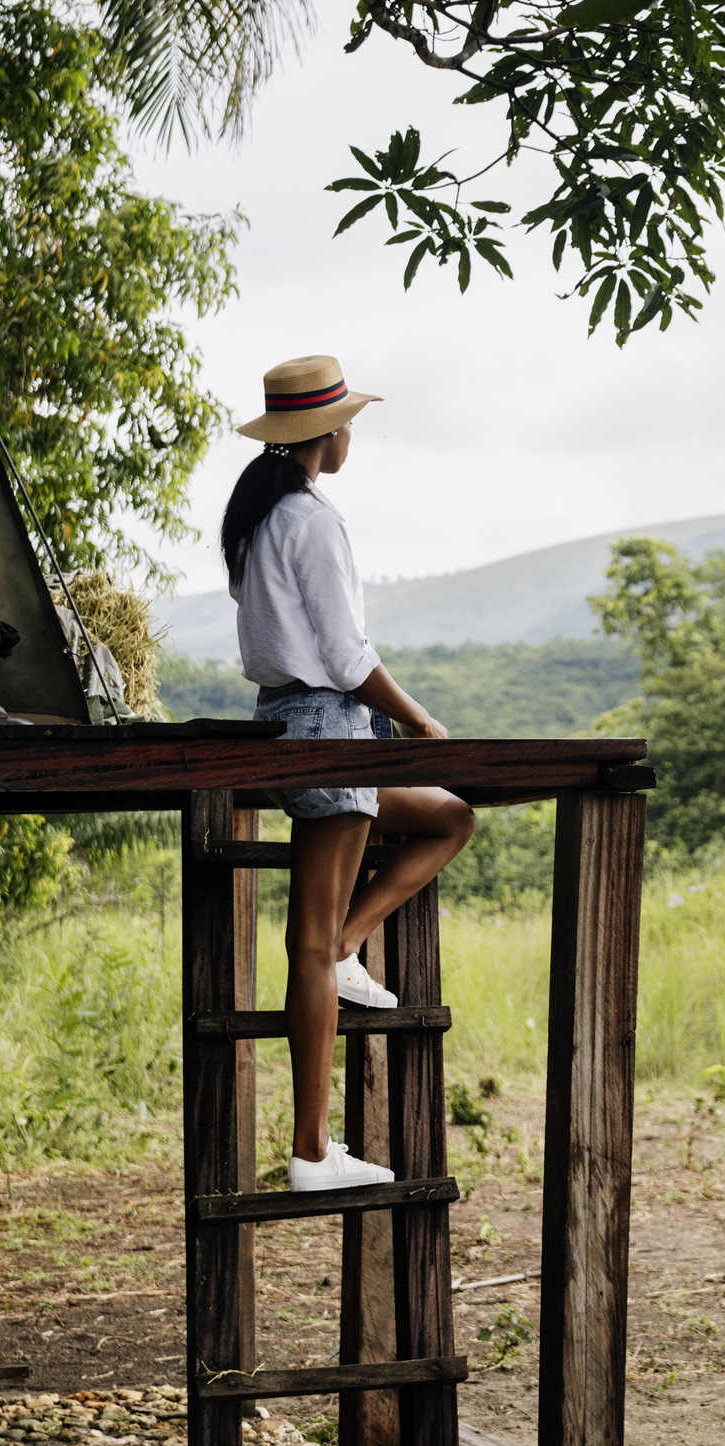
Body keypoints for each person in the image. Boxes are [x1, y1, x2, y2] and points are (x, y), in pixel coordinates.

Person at [223, 355, 475, 1192]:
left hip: (283, 724)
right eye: (348, 424)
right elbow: (343, 654)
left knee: (448, 817)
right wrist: (418, 718)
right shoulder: (311, 520)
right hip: (329, 728)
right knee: (305, 948)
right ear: (325, 434)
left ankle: (350, 942)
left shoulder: (260, 518)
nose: (351, 435)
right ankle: (308, 1152)